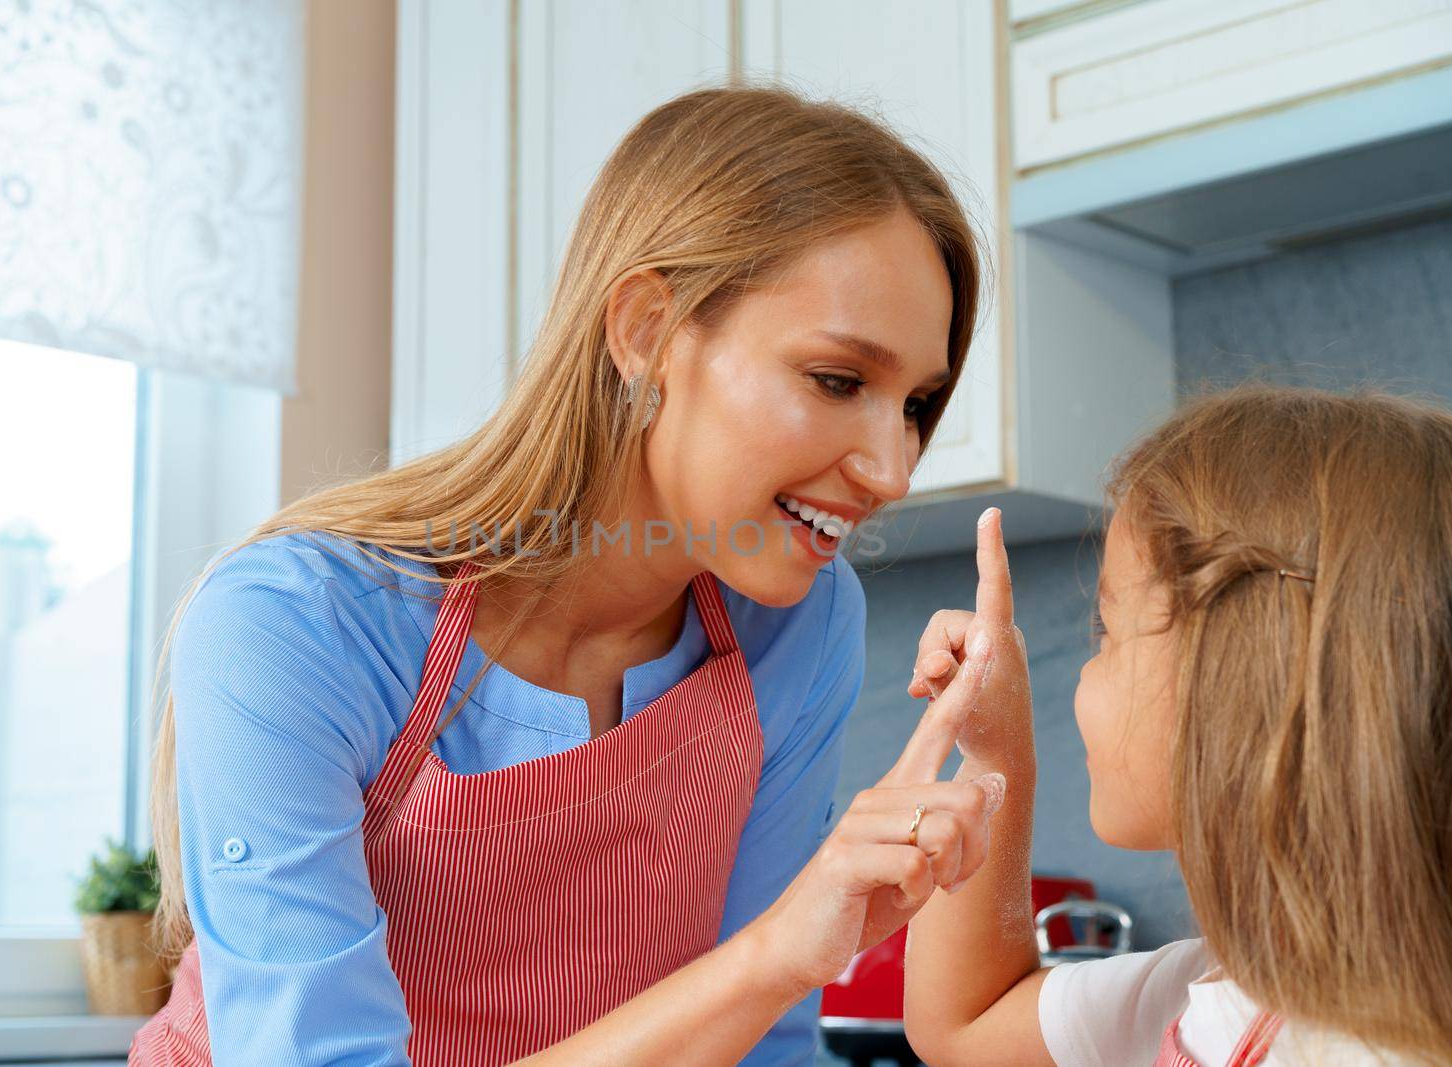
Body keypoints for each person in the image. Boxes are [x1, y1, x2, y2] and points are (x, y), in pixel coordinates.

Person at [129, 83, 1006, 1065]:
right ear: (643, 330)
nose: (891, 469)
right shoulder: (299, 622)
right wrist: (772, 955)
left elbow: (760, 1046)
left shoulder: (799, 624)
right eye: (838, 379)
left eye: (917, 403)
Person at [901, 384, 1452, 1066]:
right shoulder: (1225, 989)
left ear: (1237, 680)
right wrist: (994, 754)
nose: (1080, 673)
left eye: (1107, 630)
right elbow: (965, 1022)